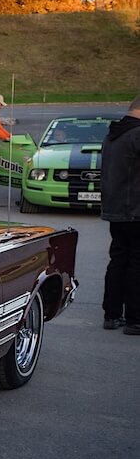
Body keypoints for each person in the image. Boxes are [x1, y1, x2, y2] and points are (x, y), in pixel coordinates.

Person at [100, 93, 140, 335]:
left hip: (116, 209)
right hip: (136, 210)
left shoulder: (112, 135)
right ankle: (135, 319)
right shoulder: (136, 134)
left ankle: (112, 314)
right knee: (136, 263)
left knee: (118, 260)